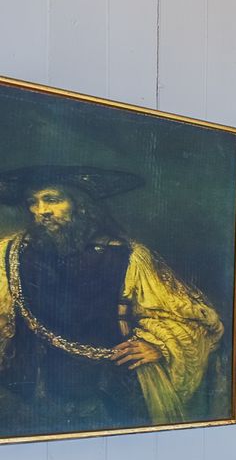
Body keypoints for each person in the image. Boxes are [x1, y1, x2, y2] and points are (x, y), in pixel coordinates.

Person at [0, 165, 223, 436]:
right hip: (27, 388)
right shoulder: (9, 252)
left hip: (106, 389)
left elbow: (190, 317)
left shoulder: (128, 256)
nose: (41, 210)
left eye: (52, 199)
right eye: (32, 202)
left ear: (80, 205)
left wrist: (159, 345)